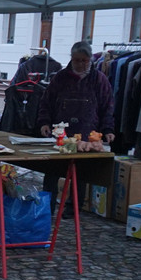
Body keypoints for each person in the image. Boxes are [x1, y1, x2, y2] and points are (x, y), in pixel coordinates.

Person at [36, 40, 115, 211]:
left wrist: (108, 129)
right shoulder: (60, 78)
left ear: (90, 60)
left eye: (84, 60)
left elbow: (107, 106)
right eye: (77, 60)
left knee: (80, 174)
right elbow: (46, 102)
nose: (80, 64)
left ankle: (74, 208)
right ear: (71, 58)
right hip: (61, 132)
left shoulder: (99, 80)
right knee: (52, 171)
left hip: (86, 132)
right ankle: (46, 207)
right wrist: (44, 122)